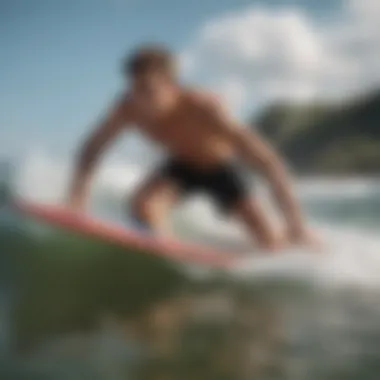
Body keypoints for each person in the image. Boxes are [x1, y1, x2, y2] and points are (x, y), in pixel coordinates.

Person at [67, 43, 317, 251]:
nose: (141, 100)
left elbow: (268, 162)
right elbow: (91, 148)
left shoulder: (204, 108)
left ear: (171, 85)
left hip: (220, 169)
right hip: (181, 167)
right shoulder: (126, 109)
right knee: (144, 205)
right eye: (135, 89)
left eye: (149, 90)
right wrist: (77, 199)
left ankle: (292, 236)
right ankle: (163, 249)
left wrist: (297, 223)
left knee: (269, 243)